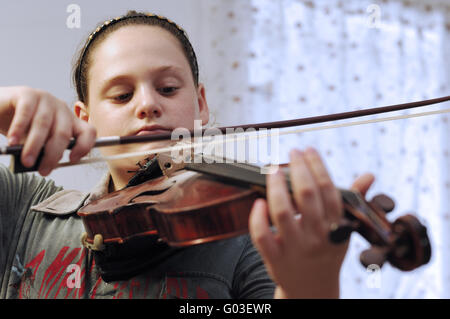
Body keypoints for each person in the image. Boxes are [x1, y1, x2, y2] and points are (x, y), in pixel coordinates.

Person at [0, 11, 374, 299]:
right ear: (86, 118)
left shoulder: (249, 239)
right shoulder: (25, 210)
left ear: (199, 104)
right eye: (121, 95)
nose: (147, 104)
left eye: (167, 88)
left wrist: (310, 287)